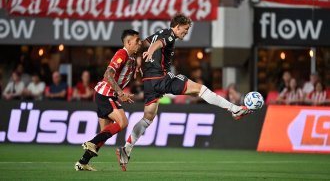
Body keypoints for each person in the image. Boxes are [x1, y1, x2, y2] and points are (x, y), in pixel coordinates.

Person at [116, 14, 251, 171]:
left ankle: (126, 149)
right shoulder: (170, 36)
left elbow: (143, 45)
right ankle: (234, 109)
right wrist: (151, 51)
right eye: (185, 29)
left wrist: (139, 59)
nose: (185, 33)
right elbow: (158, 44)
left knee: (148, 117)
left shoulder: (159, 32)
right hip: (161, 78)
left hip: (149, 83)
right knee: (200, 89)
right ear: (177, 26)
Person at [74, 29, 142, 171]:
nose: (139, 43)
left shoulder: (131, 58)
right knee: (123, 122)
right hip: (106, 94)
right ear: (128, 42)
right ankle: (91, 142)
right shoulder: (121, 54)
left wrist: (136, 69)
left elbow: (123, 75)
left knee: (104, 133)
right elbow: (108, 74)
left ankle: (83, 162)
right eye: (137, 41)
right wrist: (120, 92)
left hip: (104, 94)